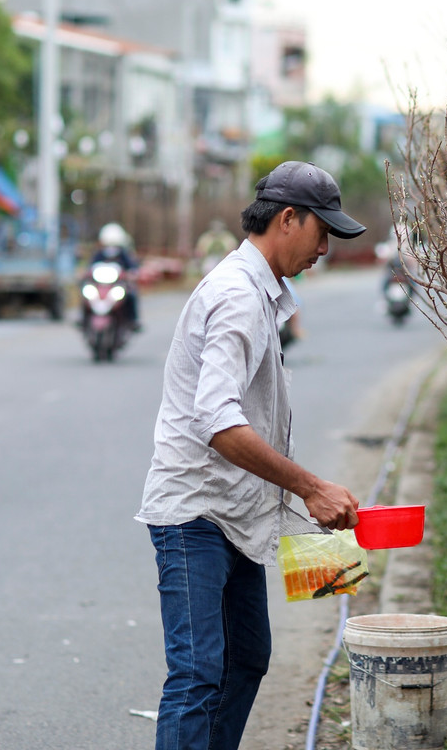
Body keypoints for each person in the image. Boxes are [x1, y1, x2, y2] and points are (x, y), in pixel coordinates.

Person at [136, 161, 366, 750]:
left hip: (239, 514)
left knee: (248, 659)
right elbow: (218, 422)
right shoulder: (237, 295)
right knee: (197, 674)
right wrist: (311, 488)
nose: (325, 250)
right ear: (288, 219)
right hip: (196, 515)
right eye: (323, 234)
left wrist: (306, 498)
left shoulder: (264, 290)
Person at [90, 222, 141, 329]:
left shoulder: (123, 254)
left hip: (117, 284)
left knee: (131, 294)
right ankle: (83, 317)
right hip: (100, 286)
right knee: (86, 293)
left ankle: (133, 320)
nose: (111, 247)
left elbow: (132, 266)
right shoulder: (99, 254)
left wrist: (132, 273)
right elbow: (90, 266)